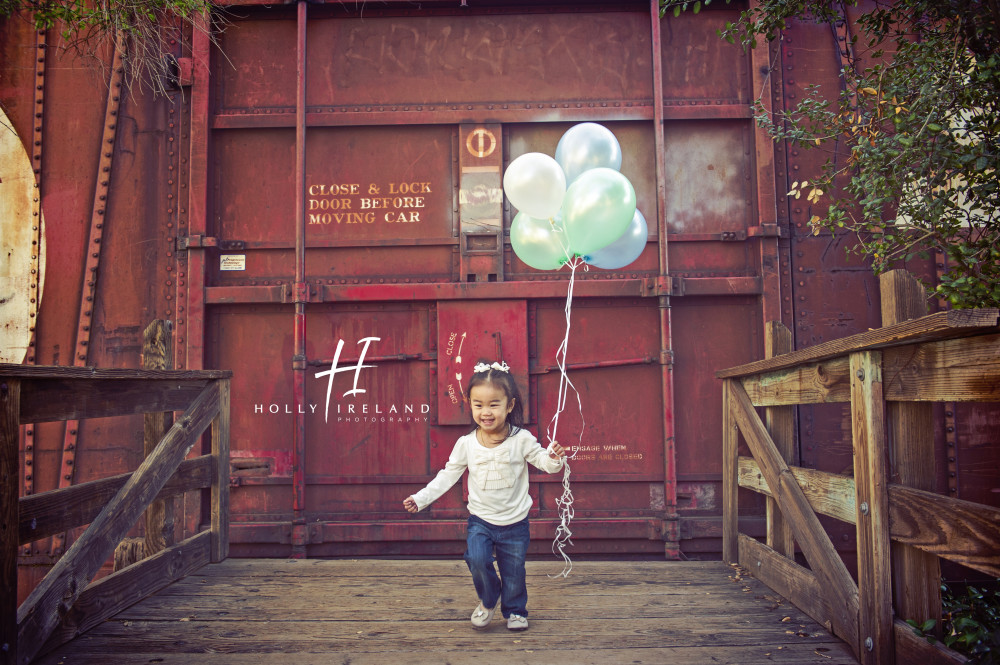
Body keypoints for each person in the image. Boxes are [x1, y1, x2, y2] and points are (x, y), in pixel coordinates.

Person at [403, 360, 566, 632]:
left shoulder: (521, 439)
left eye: (494, 404)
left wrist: (553, 458)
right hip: (481, 520)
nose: (486, 412)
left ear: (509, 405)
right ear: (470, 404)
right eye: (478, 405)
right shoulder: (466, 444)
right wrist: (421, 499)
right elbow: (448, 475)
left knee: (514, 571)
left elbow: (544, 463)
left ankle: (515, 610)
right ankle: (488, 599)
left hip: (515, 523)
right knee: (476, 560)